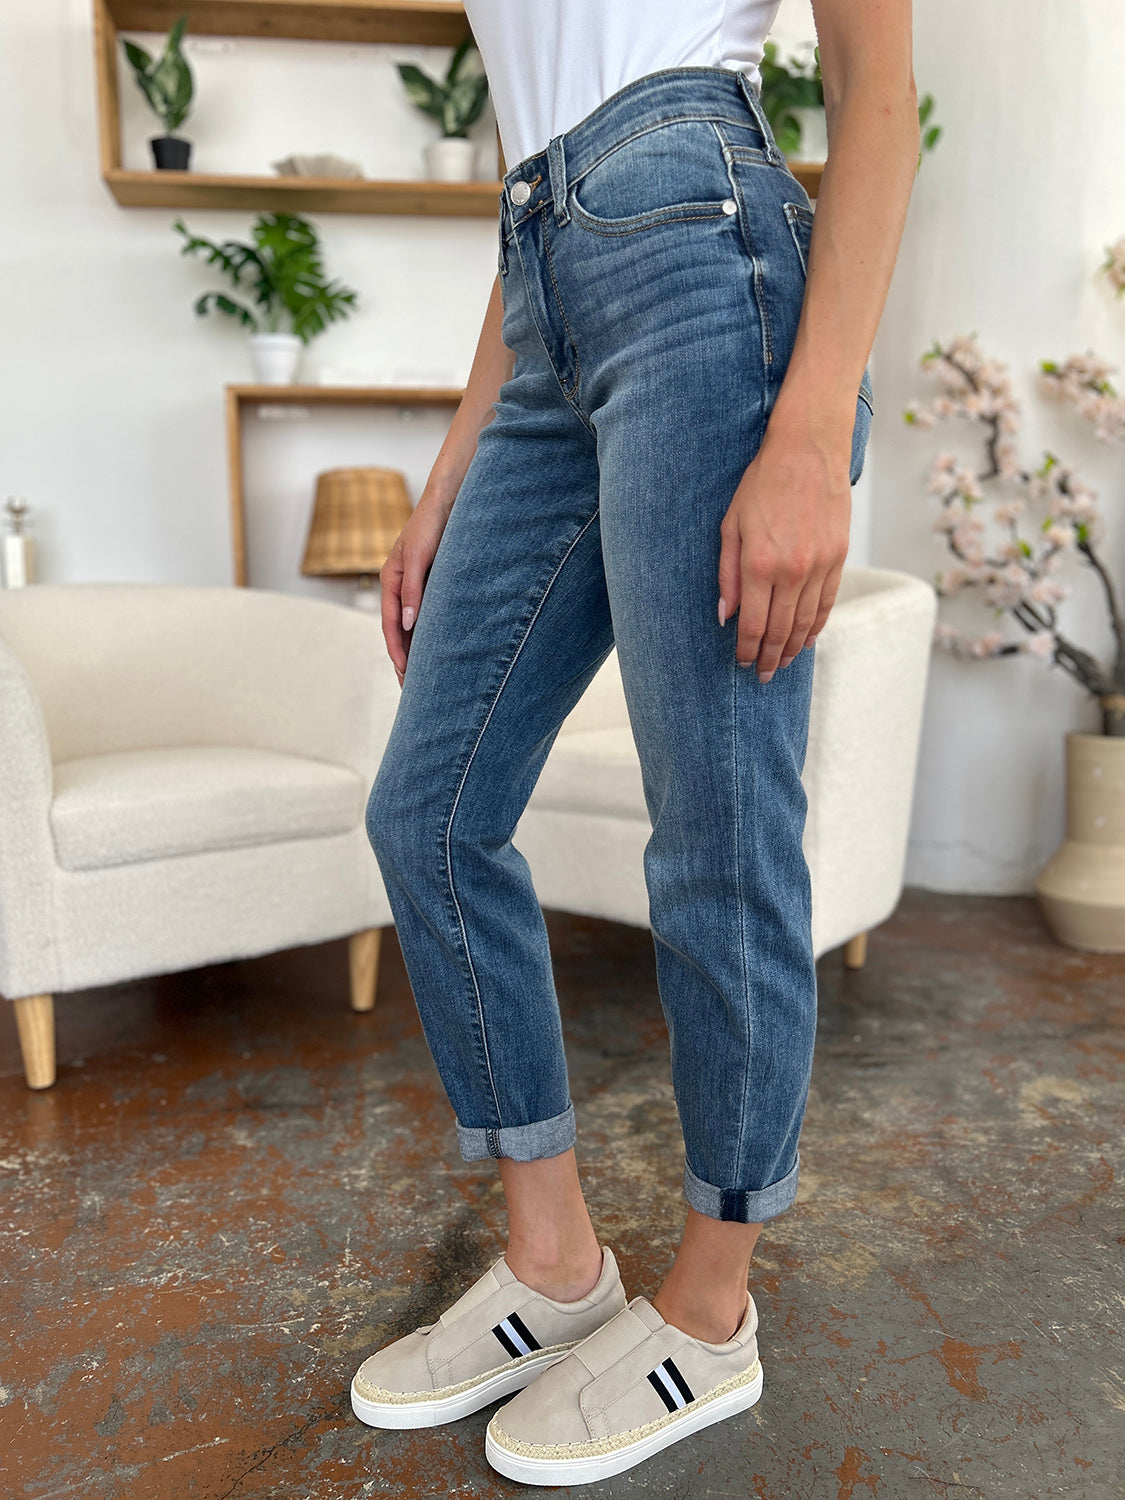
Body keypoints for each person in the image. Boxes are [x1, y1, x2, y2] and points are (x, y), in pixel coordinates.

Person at [352, 0, 919, 1484]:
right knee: (427, 809)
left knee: (716, 828)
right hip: (538, 266)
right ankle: (553, 1271)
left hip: (700, 250)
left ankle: (710, 1308)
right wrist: (446, 475)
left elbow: (875, 93)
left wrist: (807, 432)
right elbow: (537, 163)